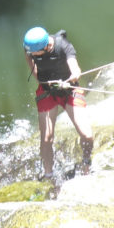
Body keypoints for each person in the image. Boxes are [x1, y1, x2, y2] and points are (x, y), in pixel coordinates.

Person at [23, 25, 93, 178]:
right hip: (47, 90)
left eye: (34, 52)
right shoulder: (31, 49)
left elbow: (75, 68)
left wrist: (73, 77)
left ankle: (86, 162)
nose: (31, 54)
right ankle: (49, 175)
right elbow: (28, 56)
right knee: (46, 138)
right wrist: (39, 79)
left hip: (69, 88)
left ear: (46, 46)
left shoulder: (63, 46)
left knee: (87, 135)